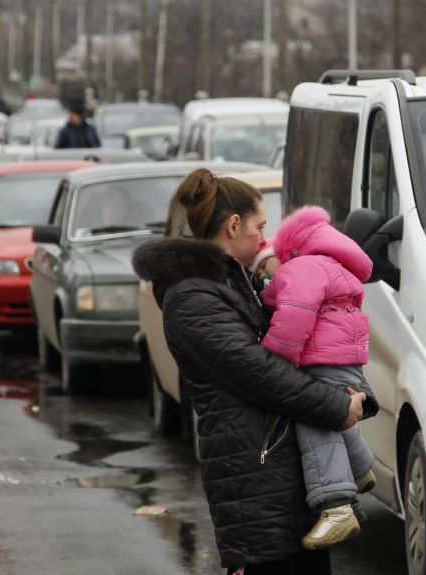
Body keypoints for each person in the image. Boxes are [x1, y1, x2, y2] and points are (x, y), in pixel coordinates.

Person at [133, 169, 368, 575]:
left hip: (278, 477)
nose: (264, 239)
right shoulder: (192, 296)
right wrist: (335, 406)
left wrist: (345, 388)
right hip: (255, 486)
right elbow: (259, 374)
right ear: (233, 224)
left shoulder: (231, 279)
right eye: (260, 227)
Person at [251, 206, 380, 550]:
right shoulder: (327, 264)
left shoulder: (301, 267)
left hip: (324, 357)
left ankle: (336, 505)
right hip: (341, 358)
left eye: (265, 266)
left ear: (284, 254)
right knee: (335, 414)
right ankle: (360, 467)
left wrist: (272, 357)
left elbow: (295, 318)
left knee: (315, 420)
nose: (266, 276)